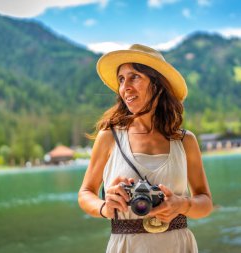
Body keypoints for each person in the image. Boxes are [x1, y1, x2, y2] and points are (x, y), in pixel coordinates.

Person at [78, 44, 213, 253]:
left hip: (178, 246)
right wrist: (105, 207)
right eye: (121, 79)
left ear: (157, 84)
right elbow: (85, 193)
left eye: (134, 77)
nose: (125, 87)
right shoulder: (109, 137)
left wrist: (181, 205)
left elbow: (205, 202)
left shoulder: (185, 141)